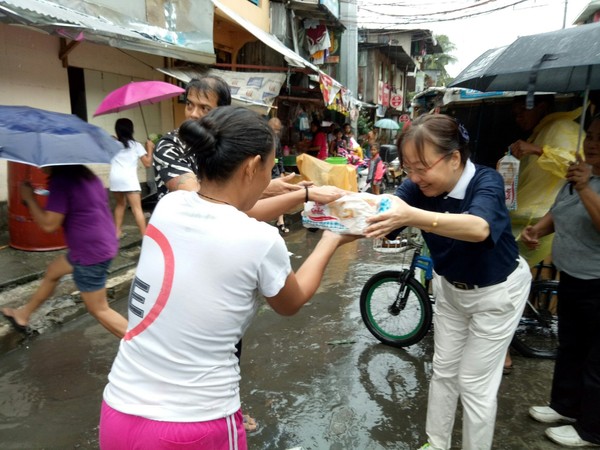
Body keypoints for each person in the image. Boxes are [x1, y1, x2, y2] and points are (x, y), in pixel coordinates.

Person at [98, 106, 355, 449]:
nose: (269, 178)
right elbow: (291, 302)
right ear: (251, 166)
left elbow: (223, 210)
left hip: (118, 412)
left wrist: (291, 193)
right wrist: (331, 238)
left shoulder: (170, 206)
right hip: (194, 424)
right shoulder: (260, 240)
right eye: (269, 167)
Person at [365, 114, 531, 450]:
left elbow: (479, 228)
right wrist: (327, 206)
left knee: (473, 383)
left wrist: (413, 215)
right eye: (408, 167)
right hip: (451, 289)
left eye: (422, 167)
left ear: (454, 158)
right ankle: (435, 443)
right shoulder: (418, 186)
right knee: (443, 370)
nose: (413, 177)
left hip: (497, 293)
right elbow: (383, 210)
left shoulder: (486, 181)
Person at [521, 114, 600, 448]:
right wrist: (539, 228)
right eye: (591, 136)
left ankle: (592, 431)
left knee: (598, 359)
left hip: (598, 282)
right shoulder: (580, 174)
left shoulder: (585, 181)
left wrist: (584, 187)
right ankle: (565, 407)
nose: (592, 143)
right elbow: (562, 210)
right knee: (571, 348)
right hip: (573, 276)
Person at [503, 94, 582, 374]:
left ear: (542, 106)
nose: (518, 116)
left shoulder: (563, 129)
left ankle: (504, 352)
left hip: (542, 218)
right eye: (514, 112)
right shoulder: (543, 130)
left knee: (504, 283)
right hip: (528, 218)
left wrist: (536, 150)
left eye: (522, 109)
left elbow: (573, 166)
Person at [1, 165, 128, 338]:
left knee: (99, 309)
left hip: (89, 253)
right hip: (100, 243)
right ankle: (23, 315)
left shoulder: (61, 181)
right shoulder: (85, 174)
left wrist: (29, 199)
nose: (39, 166)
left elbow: (49, 224)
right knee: (54, 271)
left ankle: (145, 350)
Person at [153, 75, 302, 202]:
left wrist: (303, 195)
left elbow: (239, 207)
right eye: (189, 105)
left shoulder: (226, 145)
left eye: (204, 108)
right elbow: (199, 200)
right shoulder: (169, 146)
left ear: (222, 112)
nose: (193, 114)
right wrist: (264, 189)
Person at [109, 118, 153, 238]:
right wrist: (149, 148)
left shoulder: (112, 145)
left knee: (120, 204)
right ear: (131, 130)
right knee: (137, 209)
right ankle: (144, 236)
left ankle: (116, 232)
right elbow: (147, 163)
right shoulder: (136, 145)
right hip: (129, 180)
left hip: (115, 179)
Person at [268, 117, 289, 234]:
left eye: (277, 130)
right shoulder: (262, 138)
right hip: (263, 171)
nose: (276, 133)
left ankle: (280, 222)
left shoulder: (276, 140)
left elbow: (280, 156)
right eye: (274, 130)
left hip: (274, 171)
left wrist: (281, 171)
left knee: (279, 194)